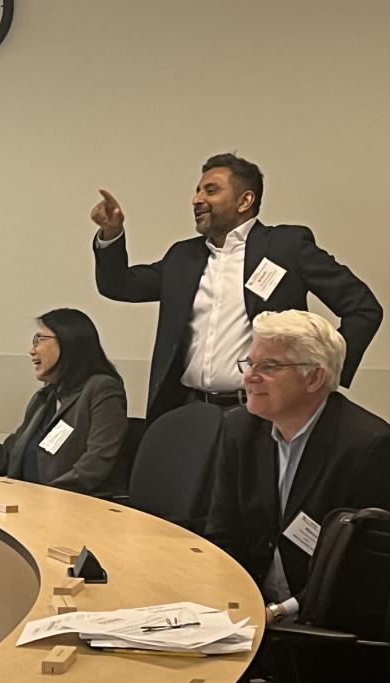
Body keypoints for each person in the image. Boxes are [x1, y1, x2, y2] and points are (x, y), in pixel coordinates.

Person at [90, 152, 382, 423]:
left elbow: (363, 309)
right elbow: (119, 285)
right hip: (187, 409)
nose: (196, 199)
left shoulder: (285, 247)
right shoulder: (183, 257)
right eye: (197, 190)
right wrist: (111, 234)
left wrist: (321, 371)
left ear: (245, 201)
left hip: (260, 412)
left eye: (211, 190)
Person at [206, 310, 390, 625]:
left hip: (327, 627)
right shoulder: (240, 430)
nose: (250, 376)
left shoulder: (368, 446)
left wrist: (277, 612)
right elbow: (224, 535)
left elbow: (357, 571)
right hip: (249, 612)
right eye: (250, 363)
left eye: (269, 366)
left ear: (314, 377)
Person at [0, 308, 127, 494]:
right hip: (33, 505)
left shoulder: (102, 389)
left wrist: (40, 498)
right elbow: (5, 460)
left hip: (75, 510)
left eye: (40, 339)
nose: (32, 350)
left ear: (68, 341)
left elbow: (94, 466)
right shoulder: (44, 399)